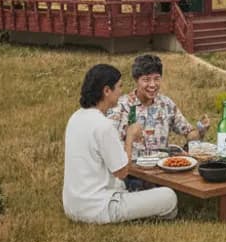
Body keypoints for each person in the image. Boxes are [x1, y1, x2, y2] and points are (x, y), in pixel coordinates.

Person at [63, 63, 178, 224]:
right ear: (106, 91)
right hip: (100, 208)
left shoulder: (76, 117)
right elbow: (122, 172)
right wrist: (130, 136)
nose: (121, 92)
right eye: (119, 87)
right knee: (169, 196)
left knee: (128, 187)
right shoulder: (103, 126)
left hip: (72, 206)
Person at [107, 54, 209, 158]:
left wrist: (201, 130)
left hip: (162, 169)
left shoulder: (166, 104)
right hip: (130, 171)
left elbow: (189, 133)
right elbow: (108, 146)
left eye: (157, 79)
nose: (152, 85)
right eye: (146, 80)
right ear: (136, 80)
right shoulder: (121, 107)